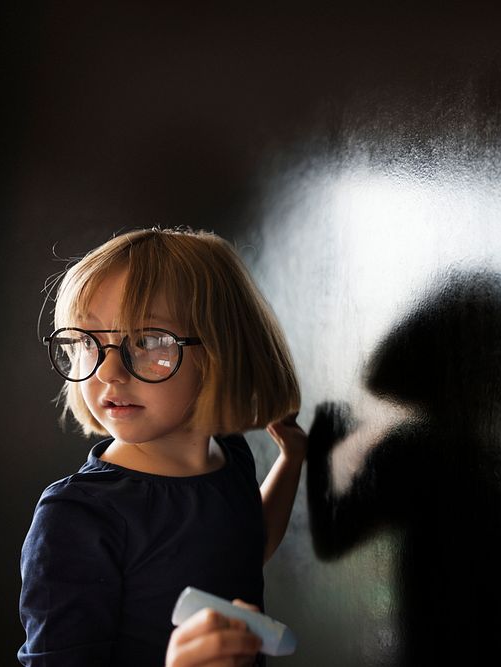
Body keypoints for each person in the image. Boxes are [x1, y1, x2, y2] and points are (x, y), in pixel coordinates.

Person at [19, 227, 308, 667]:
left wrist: (291, 461)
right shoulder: (78, 516)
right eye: (87, 341)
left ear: (220, 352)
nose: (109, 371)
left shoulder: (228, 456)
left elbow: (246, 545)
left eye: (148, 340)